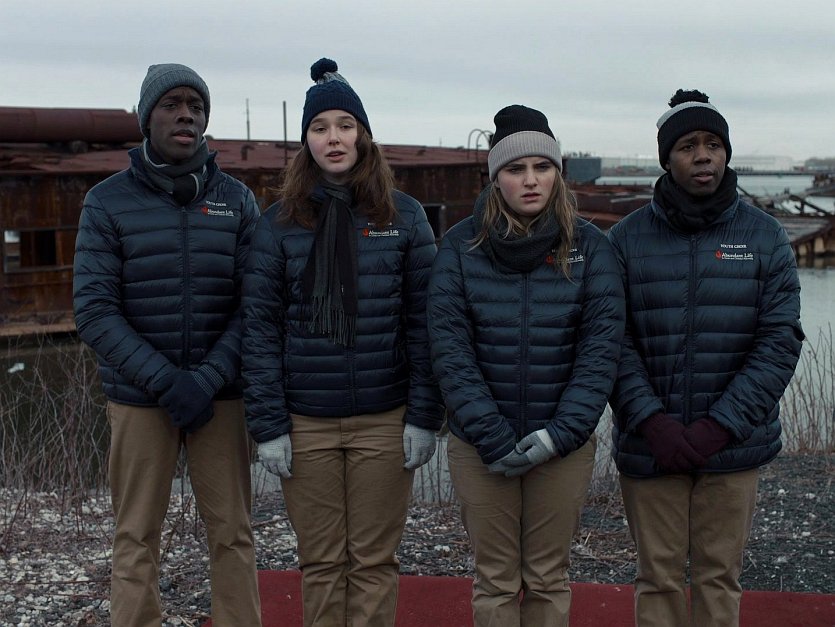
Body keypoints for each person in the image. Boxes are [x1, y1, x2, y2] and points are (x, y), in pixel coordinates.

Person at [241, 58, 444, 627]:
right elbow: (260, 329)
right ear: (306, 142)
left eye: (344, 125)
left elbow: (426, 324)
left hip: (384, 418)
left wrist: (424, 417)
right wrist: (269, 427)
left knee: (375, 561)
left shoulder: (403, 217)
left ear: (363, 135)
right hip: (305, 423)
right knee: (322, 562)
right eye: (320, 127)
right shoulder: (278, 224)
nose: (333, 138)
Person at [73, 64, 262, 627]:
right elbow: (94, 309)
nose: (186, 115)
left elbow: (257, 305)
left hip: (220, 397)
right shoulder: (107, 202)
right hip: (139, 398)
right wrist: (163, 379)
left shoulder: (236, 200)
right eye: (172, 104)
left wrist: (206, 378)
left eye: (196, 106)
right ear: (147, 118)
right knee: (135, 533)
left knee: (232, 532)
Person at [607, 89, 804, 627]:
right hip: (651, 445)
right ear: (666, 157)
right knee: (658, 579)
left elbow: (780, 341)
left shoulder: (764, 236)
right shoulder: (625, 240)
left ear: (726, 153)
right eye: (688, 145)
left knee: (719, 579)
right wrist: (653, 423)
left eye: (713, 144)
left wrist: (721, 426)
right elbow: (611, 341)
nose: (703, 156)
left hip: (733, 445)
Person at [427, 105, 625, 627]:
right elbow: (450, 349)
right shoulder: (459, 248)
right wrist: (489, 434)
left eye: (542, 166)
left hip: (561, 446)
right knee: (495, 579)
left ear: (558, 173)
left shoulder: (592, 249)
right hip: (480, 446)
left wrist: (561, 433)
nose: (530, 180)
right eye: (516, 169)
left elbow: (599, 352)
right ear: (496, 178)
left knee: (547, 577)